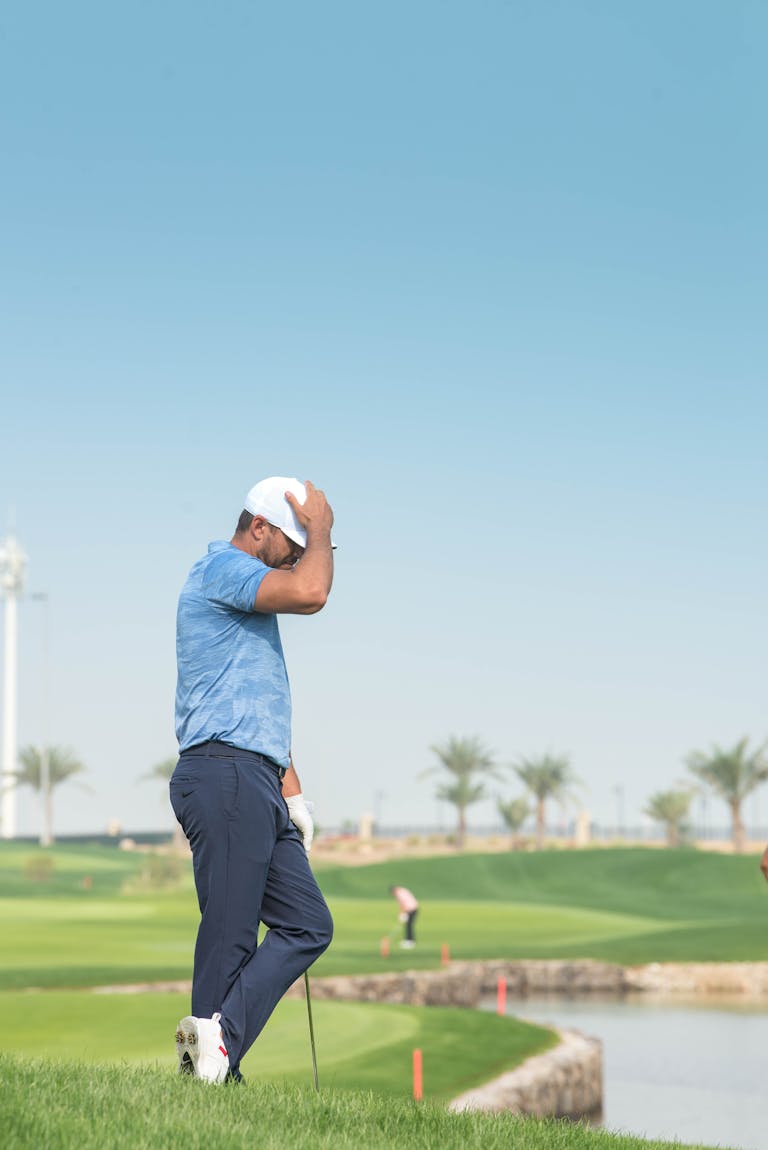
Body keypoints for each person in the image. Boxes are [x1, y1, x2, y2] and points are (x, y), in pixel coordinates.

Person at [170, 476, 335, 1083]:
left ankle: (216, 1051)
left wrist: (294, 794)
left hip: (256, 777)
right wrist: (321, 528)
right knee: (230, 935)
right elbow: (313, 591)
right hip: (225, 773)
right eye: (292, 544)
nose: (297, 557)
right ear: (258, 528)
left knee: (308, 923)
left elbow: (256, 705)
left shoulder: (249, 601)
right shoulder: (222, 570)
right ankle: (210, 1073)